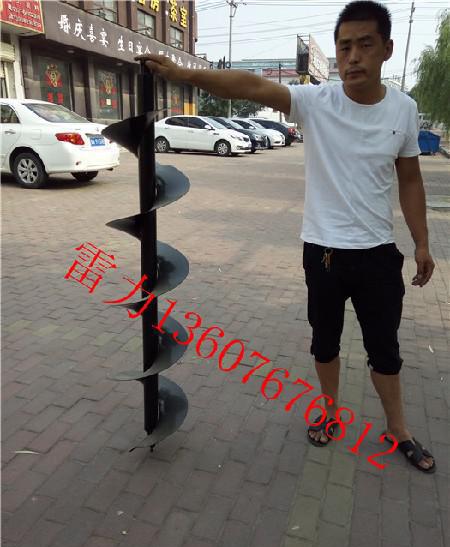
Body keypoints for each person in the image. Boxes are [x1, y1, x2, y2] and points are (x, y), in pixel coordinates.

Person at [137, 0, 436, 473]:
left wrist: (421, 241)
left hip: (378, 255)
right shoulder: (317, 102)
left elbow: (411, 179)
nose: (353, 57)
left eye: (365, 45)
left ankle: (398, 428)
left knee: (385, 350)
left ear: (387, 49)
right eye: (344, 47)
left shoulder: (404, 108)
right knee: (325, 343)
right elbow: (252, 85)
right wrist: (185, 74)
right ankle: (331, 411)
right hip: (324, 254)